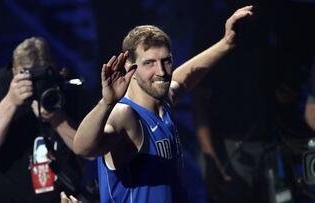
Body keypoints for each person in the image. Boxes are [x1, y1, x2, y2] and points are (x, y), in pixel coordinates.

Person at [72, 6, 254, 203]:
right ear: (129, 65)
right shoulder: (125, 114)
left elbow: (185, 78)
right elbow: (83, 148)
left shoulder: (162, 103)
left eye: (166, 61)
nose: (161, 71)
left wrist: (226, 43)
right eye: (149, 63)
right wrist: (106, 103)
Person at [0, 37, 96, 203]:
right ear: (15, 72)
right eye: (30, 76)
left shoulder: (68, 86)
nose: (37, 83)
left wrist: (56, 118)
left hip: (63, 197)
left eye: (43, 74)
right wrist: (10, 101)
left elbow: (91, 152)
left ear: (54, 68)